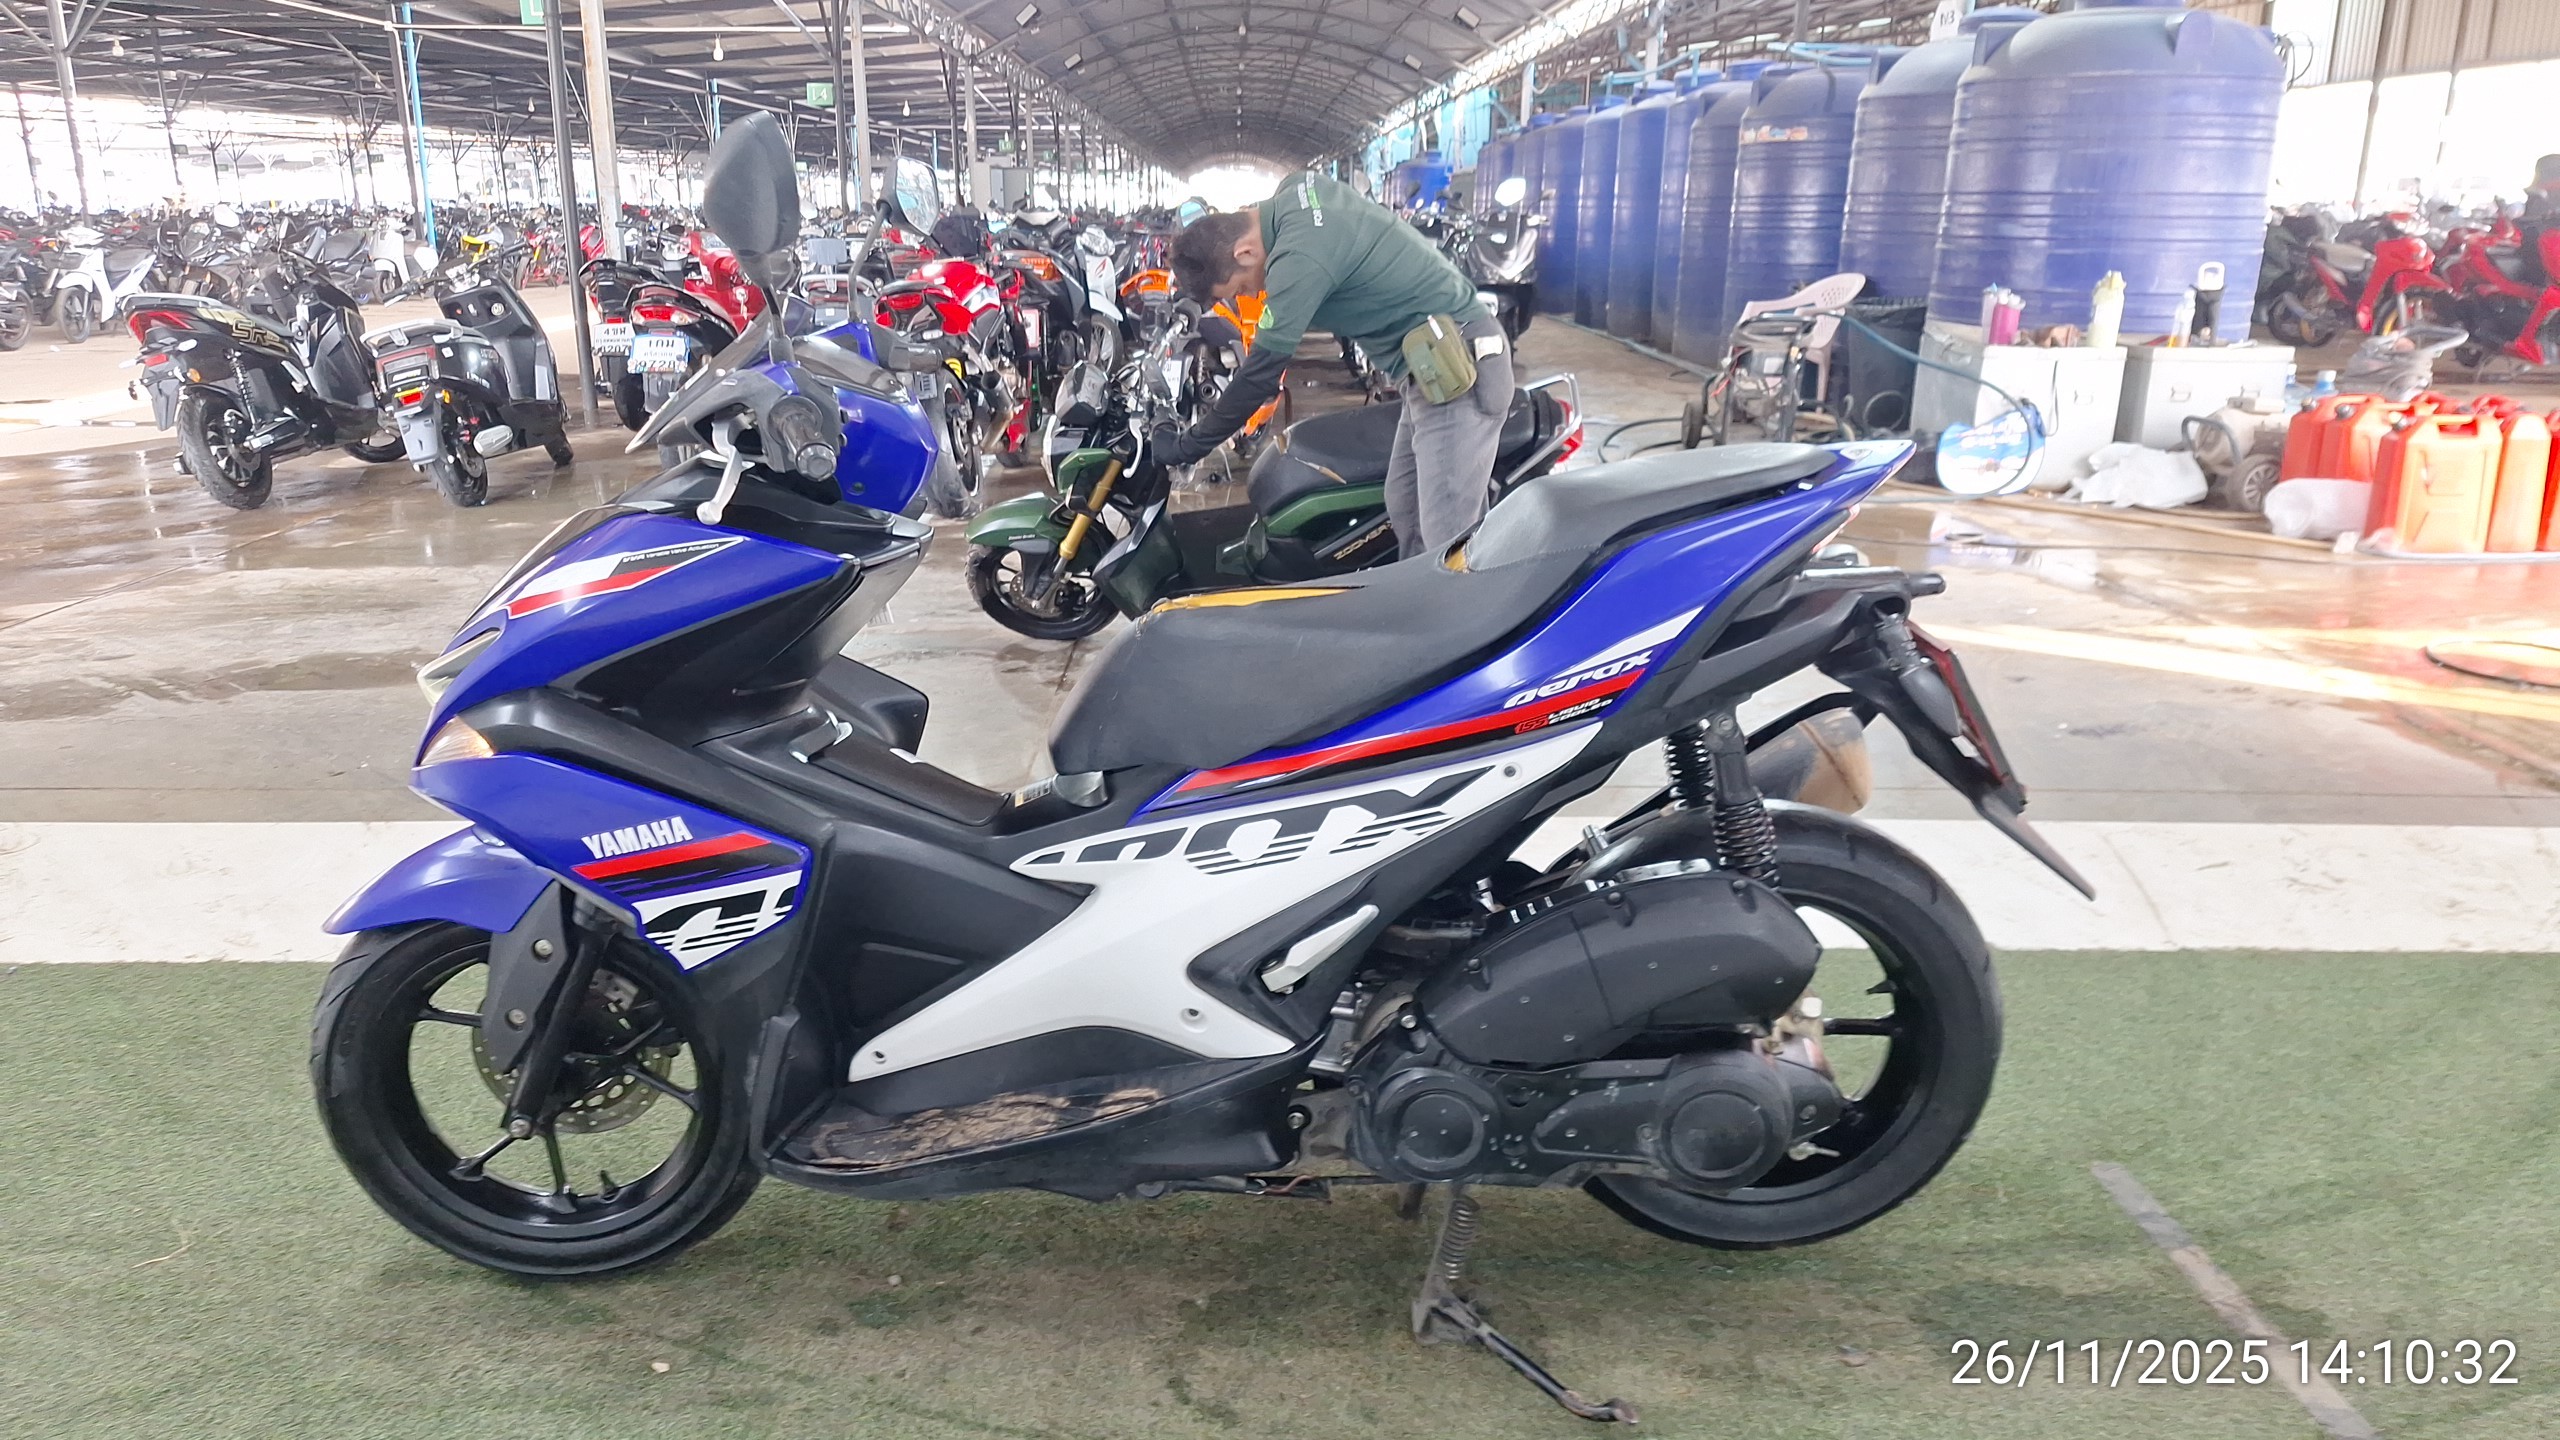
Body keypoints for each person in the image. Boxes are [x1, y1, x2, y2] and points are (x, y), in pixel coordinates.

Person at [1160, 171, 1515, 557]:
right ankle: (1419, 594)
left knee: (1448, 538)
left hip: (1459, 370)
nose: (1253, 292)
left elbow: (1258, 377)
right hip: (1428, 374)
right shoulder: (1296, 191)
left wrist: (1186, 447)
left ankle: (1466, 598)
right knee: (1407, 509)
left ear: (1244, 253)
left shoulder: (1298, 259)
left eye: (1242, 287)